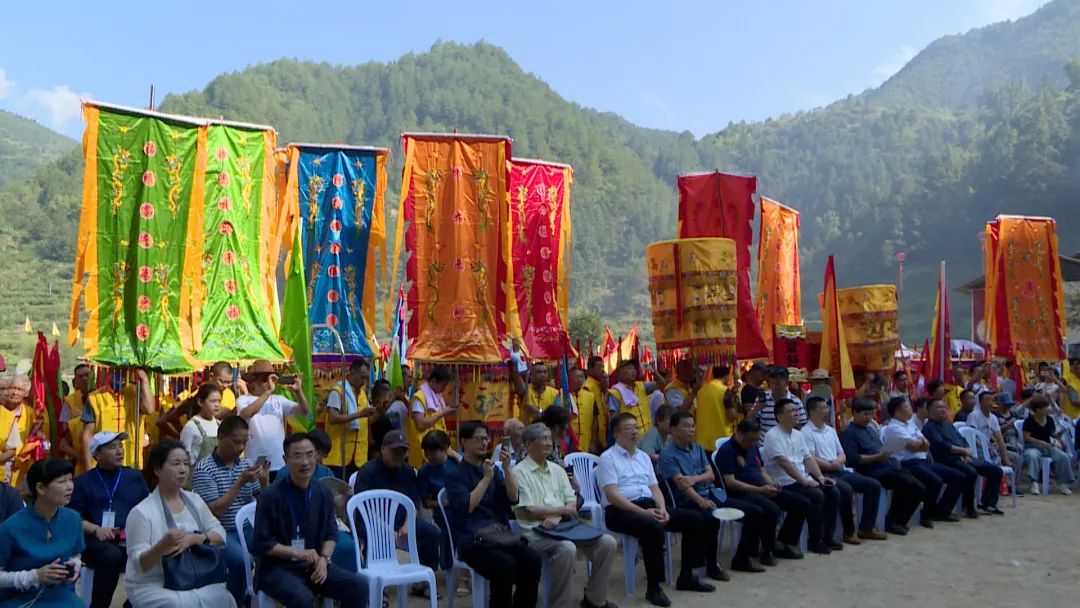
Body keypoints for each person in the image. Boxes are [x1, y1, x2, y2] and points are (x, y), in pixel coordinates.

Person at [599, 413, 714, 607]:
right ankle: (654, 587)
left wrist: (662, 508)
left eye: (636, 427)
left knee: (695, 518)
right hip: (620, 511)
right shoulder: (607, 458)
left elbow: (654, 488)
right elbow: (613, 496)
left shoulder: (643, 457)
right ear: (616, 434)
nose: (635, 431)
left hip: (649, 505)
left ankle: (687, 576)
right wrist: (643, 513)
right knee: (653, 527)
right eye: (628, 428)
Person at [253, 433, 367, 607]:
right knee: (303, 599)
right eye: (297, 456)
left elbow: (331, 533)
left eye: (309, 454)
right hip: (277, 568)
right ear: (285, 459)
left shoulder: (323, 492)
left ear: (316, 456)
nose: (305, 462)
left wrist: (324, 559)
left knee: (358, 587)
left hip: (313, 565)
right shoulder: (270, 496)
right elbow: (263, 543)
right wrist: (296, 552)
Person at [514, 423, 619, 608]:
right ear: (529, 444)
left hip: (566, 526)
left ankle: (594, 599)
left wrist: (558, 516)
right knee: (566, 549)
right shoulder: (519, 472)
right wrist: (562, 511)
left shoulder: (558, 470)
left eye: (549, 438)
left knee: (608, 543)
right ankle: (559, 605)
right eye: (543, 438)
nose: (549, 443)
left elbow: (572, 503)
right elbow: (530, 510)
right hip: (536, 532)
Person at [123, 439, 234, 607]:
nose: (182, 470)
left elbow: (220, 534)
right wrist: (162, 546)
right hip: (154, 583)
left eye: (185, 464)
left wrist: (196, 539)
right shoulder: (141, 512)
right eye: (175, 464)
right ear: (157, 469)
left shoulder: (194, 500)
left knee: (224, 598)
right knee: (179, 604)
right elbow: (140, 565)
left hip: (195, 577)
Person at [445, 420, 541, 608]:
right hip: (472, 541)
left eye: (485, 438)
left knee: (532, 560)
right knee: (504, 566)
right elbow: (467, 507)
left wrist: (506, 470)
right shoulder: (455, 475)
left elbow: (513, 498)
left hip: (499, 535)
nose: (484, 443)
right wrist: (486, 479)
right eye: (478, 439)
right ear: (463, 442)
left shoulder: (492, 469)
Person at [660, 411, 766, 574]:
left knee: (755, 512)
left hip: (712, 494)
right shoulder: (667, 455)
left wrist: (695, 479)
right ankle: (711, 565)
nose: (691, 430)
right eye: (686, 426)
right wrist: (700, 500)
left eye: (693, 426)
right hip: (688, 501)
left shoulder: (698, 448)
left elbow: (711, 475)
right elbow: (682, 485)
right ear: (673, 429)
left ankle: (742, 559)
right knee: (711, 517)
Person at [191, 415, 270, 606]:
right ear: (221, 437)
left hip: (246, 528)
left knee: (273, 551)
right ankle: (234, 602)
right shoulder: (204, 469)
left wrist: (264, 481)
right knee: (244, 562)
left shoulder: (244, 464)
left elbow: (264, 500)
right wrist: (240, 482)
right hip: (220, 531)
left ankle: (258, 597)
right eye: (236, 442)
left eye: (244, 442)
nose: (241, 448)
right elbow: (215, 511)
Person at [352, 430, 444, 587]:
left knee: (431, 533)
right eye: (395, 451)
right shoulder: (367, 472)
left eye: (403, 451)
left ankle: (423, 584)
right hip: (372, 522)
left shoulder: (408, 471)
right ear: (382, 449)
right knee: (373, 537)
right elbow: (364, 509)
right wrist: (386, 530)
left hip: (401, 520)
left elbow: (413, 502)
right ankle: (376, 587)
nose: (399, 455)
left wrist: (408, 524)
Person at [70, 431, 150, 608]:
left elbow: (149, 509)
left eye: (120, 446)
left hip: (131, 538)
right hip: (94, 540)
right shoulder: (82, 481)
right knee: (111, 555)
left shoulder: (134, 477)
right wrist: (97, 529)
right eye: (112, 447)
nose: (119, 451)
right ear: (97, 455)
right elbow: (74, 517)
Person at [714, 419, 801, 563]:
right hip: (740, 493)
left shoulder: (753, 447)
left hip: (761, 488)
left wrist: (772, 483)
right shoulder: (727, 451)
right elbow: (730, 483)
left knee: (799, 502)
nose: (753, 443)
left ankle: (781, 543)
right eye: (750, 440)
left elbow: (761, 469)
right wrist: (760, 490)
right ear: (739, 434)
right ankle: (759, 553)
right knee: (770, 510)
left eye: (756, 440)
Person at [803, 396, 887, 542]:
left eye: (827, 408)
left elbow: (842, 453)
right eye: (822, 408)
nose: (826, 411)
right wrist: (830, 465)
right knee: (845, 489)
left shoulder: (830, 430)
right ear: (811, 411)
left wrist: (838, 461)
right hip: (822, 472)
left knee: (873, 485)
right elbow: (811, 457)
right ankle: (849, 531)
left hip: (839, 469)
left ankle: (866, 528)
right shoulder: (806, 432)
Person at [762, 399, 842, 554]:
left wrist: (819, 477)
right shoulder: (772, 436)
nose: (796, 413)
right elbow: (783, 462)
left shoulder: (798, 435)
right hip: (784, 482)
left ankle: (827, 536)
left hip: (801, 480)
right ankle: (813, 540)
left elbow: (808, 459)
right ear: (779, 416)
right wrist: (804, 480)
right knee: (815, 495)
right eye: (791, 411)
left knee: (832, 491)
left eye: (796, 410)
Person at [0, 458, 83, 606]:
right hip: (21, 598)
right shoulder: (11, 527)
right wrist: (34, 576)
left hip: (62, 595)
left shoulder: (74, 519)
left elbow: (75, 554)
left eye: (71, 480)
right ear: (41, 488)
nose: (70, 486)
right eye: (62, 482)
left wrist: (74, 565)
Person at [839, 399, 925, 535]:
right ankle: (892, 522)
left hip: (888, 464)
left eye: (871, 414)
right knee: (907, 485)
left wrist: (888, 453)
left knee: (919, 487)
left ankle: (898, 520)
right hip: (872, 470)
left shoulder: (871, 429)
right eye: (865, 414)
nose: (869, 418)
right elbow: (853, 460)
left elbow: (880, 447)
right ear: (855, 413)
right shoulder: (848, 433)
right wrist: (878, 457)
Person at [881, 396, 964, 527]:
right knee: (935, 481)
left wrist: (920, 443)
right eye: (907, 407)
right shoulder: (893, 427)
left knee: (957, 477)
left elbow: (926, 443)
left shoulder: (910, 424)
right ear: (897, 410)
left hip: (923, 460)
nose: (910, 409)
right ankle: (926, 515)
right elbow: (913, 445)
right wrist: (920, 443)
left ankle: (942, 511)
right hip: (908, 463)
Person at [921, 398, 1004, 517]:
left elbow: (962, 440)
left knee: (995, 470)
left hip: (962, 456)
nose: (943, 410)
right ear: (929, 410)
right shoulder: (929, 427)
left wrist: (966, 452)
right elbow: (942, 445)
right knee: (970, 472)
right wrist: (963, 451)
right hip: (946, 459)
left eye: (944, 407)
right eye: (939, 407)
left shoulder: (948, 425)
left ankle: (988, 504)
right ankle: (967, 505)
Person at [236, 361, 309, 471]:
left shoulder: (278, 399)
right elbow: (246, 414)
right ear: (254, 380)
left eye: (270, 379)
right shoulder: (244, 400)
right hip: (254, 462)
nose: (268, 382)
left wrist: (298, 392)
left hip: (279, 462)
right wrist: (268, 391)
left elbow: (304, 411)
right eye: (264, 379)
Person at [80, 368, 156, 469]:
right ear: (106, 371)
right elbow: (88, 435)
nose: (121, 374)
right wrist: (88, 467)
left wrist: (145, 380)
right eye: (114, 370)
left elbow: (149, 409)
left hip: (131, 461)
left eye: (124, 370)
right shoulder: (95, 397)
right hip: (102, 463)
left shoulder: (136, 392)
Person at [325, 359, 377, 477]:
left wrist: (380, 410)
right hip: (340, 455)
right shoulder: (338, 391)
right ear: (351, 372)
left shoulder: (362, 394)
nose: (364, 382)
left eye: (366, 378)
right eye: (362, 377)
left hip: (358, 456)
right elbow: (333, 418)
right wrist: (359, 414)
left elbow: (367, 419)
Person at [406, 366, 458, 468]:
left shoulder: (437, 395)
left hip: (438, 447)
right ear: (434, 381)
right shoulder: (419, 397)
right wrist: (441, 413)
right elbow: (420, 424)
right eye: (443, 384)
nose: (444, 388)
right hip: (424, 449)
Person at [1021, 394, 1074, 495]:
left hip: (1047, 446)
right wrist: (1041, 442)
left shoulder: (1049, 420)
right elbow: (1026, 437)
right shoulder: (1029, 421)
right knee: (1033, 456)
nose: (1047, 409)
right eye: (1045, 407)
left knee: (1063, 457)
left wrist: (1059, 438)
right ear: (1037, 409)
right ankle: (1034, 482)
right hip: (1033, 446)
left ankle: (1063, 483)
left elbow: (1051, 432)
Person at [967, 392, 1024, 475]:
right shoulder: (974, 415)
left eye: (993, 400)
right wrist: (987, 448)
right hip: (976, 449)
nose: (991, 403)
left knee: (1015, 457)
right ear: (981, 402)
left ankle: (1011, 485)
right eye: (988, 400)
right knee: (995, 459)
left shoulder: (993, 418)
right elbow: (972, 437)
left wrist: (1005, 459)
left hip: (991, 448)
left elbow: (1000, 439)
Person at [59, 363, 94, 474]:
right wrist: (82, 458)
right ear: (76, 381)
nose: (84, 378)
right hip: (77, 460)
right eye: (80, 376)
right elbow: (64, 439)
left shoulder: (101, 396)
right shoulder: (69, 401)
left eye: (87, 375)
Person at [179, 384, 223, 466]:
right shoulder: (191, 427)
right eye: (213, 401)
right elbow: (184, 459)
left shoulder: (219, 425)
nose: (217, 405)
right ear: (200, 402)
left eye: (219, 401)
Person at [695, 366, 736, 452]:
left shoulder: (701, 390)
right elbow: (731, 416)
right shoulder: (725, 391)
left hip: (702, 440)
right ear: (727, 376)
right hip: (721, 439)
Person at [756, 367, 807, 435]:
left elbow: (802, 426)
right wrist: (756, 409)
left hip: (787, 442)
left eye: (777, 384)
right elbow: (751, 420)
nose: (774, 386)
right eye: (771, 383)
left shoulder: (795, 401)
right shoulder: (762, 398)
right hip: (765, 443)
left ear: (787, 383)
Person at [607, 359, 653, 435]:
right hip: (631, 438)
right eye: (629, 368)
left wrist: (654, 371)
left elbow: (662, 384)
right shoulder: (616, 392)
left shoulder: (641, 385)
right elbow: (614, 419)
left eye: (634, 369)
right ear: (621, 372)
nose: (633, 371)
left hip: (648, 435)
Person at [577, 357, 609, 454]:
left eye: (603, 366)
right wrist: (593, 441)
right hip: (593, 437)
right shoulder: (587, 387)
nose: (602, 369)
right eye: (599, 367)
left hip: (601, 435)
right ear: (590, 369)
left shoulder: (598, 385)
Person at [367, 380, 398, 456]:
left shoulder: (385, 414)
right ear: (379, 398)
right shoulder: (370, 413)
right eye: (389, 396)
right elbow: (368, 422)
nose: (390, 400)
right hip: (375, 453)